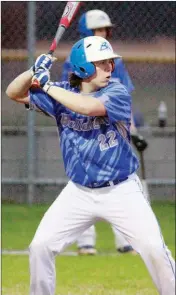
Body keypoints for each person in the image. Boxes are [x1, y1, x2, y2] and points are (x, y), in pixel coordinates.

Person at [6, 36, 175, 295]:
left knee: (154, 248)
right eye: (102, 62)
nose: (110, 67)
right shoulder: (62, 93)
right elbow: (13, 93)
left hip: (121, 190)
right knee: (41, 246)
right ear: (84, 68)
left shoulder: (116, 91)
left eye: (110, 61)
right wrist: (32, 71)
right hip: (79, 192)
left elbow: (88, 107)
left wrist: (46, 84)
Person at [61, 9, 148, 255]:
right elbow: (67, 97)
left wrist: (133, 130)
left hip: (112, 130)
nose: (105, 34)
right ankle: (85, 241)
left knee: (121, 181)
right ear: (87, 33)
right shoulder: (73, 62)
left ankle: (125, 240)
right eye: (99, 30)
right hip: (82, 130)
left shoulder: (114, 61)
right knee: (81, 182)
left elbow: (124, 99)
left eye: (106, 30)